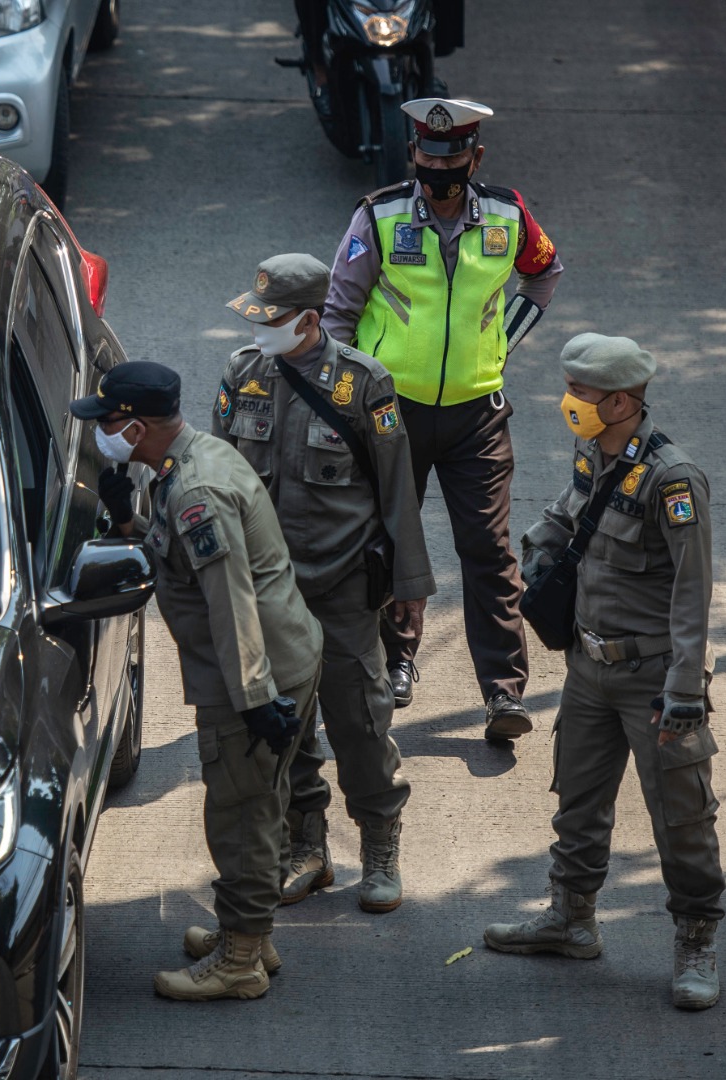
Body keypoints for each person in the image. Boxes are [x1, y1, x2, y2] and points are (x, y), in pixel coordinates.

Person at [483, 333, 723, 1011]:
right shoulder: (593, 450)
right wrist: (539, 550)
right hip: (588, 668)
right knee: (577, 801)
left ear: (619, 400)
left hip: (653, 680)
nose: (569, 401)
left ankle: (696, 939)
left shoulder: (673, 481)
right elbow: (568, 512)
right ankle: (570, 920)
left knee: (681, 816)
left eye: (581, 392)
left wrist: (684, 690)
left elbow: (691, 591)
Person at [78, 361, 323, 1001]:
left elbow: (230, 601)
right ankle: (251, 932)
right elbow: (179, 559)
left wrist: (253, 701)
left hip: (252, 673)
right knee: (260, 805)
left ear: (137, 425)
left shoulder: (195, 493)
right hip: (278, 656)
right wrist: (127, 522)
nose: (100, 434)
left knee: (239, 814)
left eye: (107, 423)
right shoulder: (190, 462)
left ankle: (240, 962)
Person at [323, 96, 564, 740]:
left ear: (475, 157)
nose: (440, 167)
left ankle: (504, 692)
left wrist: (502, 341)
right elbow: (338, 314)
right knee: (390, 543)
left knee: (487, 549)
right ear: (412, 156)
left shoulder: (509, 215)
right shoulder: (378, 216)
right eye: (429, 155)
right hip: (388, 414)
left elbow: (543, 275)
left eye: (453, 155)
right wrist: (346, 395)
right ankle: (396, 663)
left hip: (476, 415)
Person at [213, 254, 433, 914]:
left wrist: (409, 585)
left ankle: (379, 841)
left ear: (308, 321)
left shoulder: (364, 384)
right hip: (267, 587)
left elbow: (397, 490)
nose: (256, 328)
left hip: (339, 583)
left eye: (270, 319)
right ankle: (306, 848)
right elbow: (218, 471)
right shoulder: (242, 373)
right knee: (284, 725)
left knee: (360, 720)